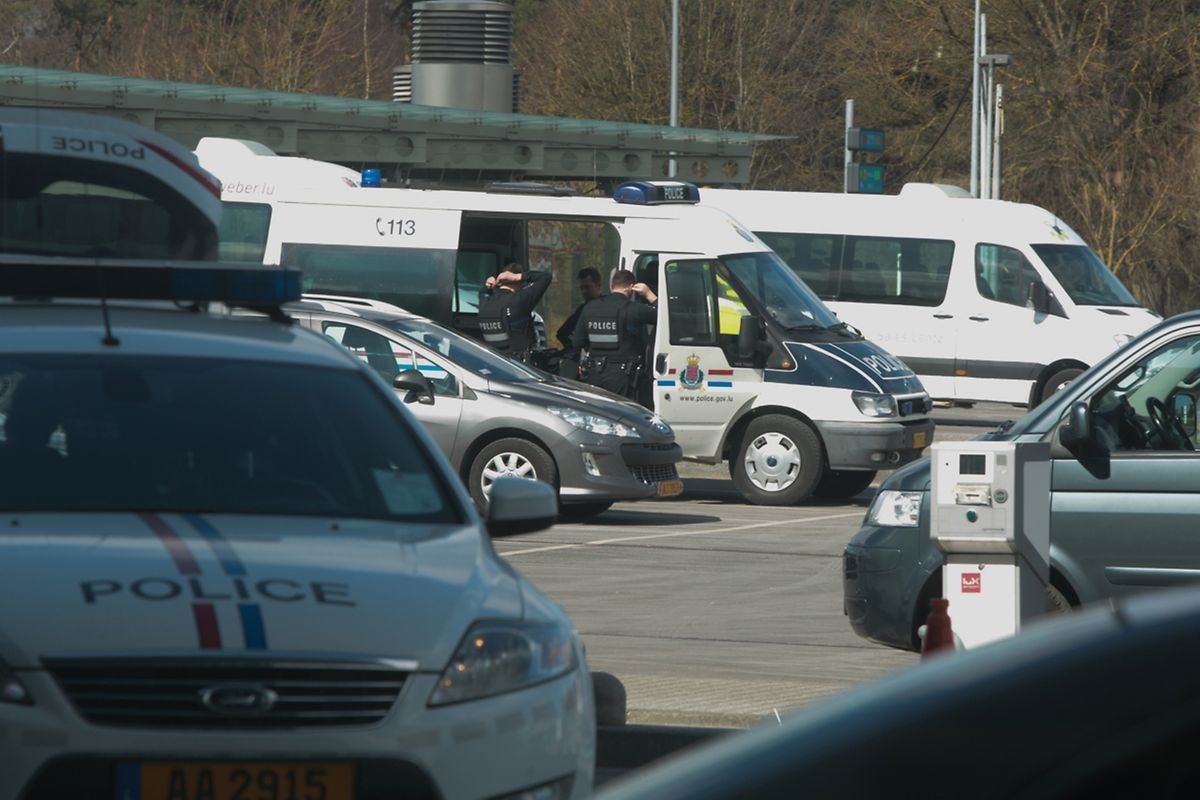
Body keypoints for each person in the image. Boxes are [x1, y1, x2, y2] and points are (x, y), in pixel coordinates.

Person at [572, 269, 657, 402]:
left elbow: (577, 342)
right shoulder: (633, 309)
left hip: (594, 374)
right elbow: (666, 317)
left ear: (611, 286)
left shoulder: (589, 308)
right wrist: (649, 294)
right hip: (622, 377)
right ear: (631, 288)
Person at [476, 261, 551, 361]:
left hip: (493, 362)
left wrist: (489, 284)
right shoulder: (519, 300)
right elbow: (545, 277)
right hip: (519, 365)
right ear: (521, 282)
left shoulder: (485, 303)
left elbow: (483, 292)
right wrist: (517, 277)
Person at [555, 267, 605, 379]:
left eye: (587, 287)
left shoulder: (606, 308)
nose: (584, 292)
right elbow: (562, 333)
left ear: (598, 285)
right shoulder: (583, 309)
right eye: (581, 288)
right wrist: (577, 348)